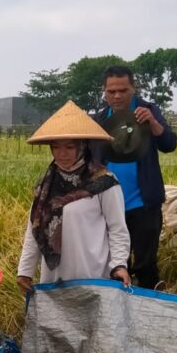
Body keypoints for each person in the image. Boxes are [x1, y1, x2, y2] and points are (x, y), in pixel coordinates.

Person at [17, 100, 131, 294]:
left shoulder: (104, 182)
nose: (62, 154)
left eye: (69, 147)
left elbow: (117, 228)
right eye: (56, 147)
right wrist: (25, 270)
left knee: (92, 323)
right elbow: (33, 228)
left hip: (92, 273)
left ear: (82, 146)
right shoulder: (46, 185)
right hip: (54, 276)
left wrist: (119, 265)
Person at [90, 65, 177, 289]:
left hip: (143, 204)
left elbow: (169, 144)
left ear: (133, 88)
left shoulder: (148, 111)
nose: (117, 96)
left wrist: (153, 123)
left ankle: (151, 311)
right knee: (116, 266)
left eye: (123, 90)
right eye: (111, 91)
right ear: (104, 91)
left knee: (146, 265)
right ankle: (120, 312)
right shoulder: (99, 119)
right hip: (108, 205)